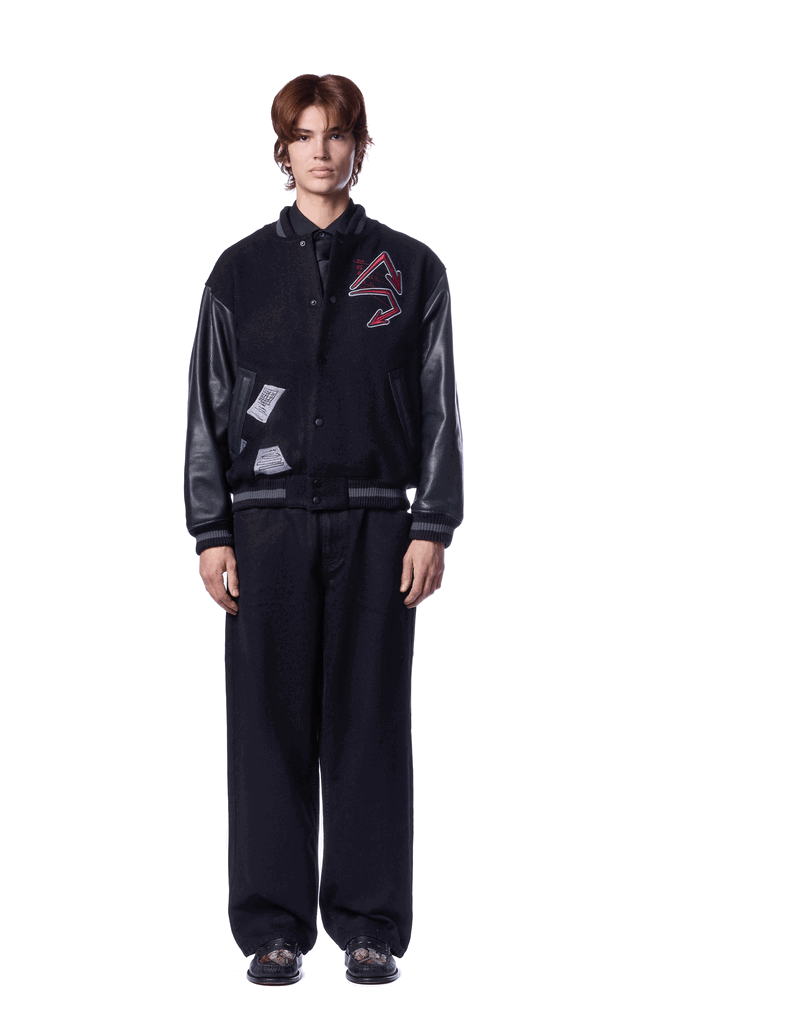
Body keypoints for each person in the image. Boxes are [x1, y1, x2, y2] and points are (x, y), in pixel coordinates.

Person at [183, 73, 464, 986]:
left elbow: (439, 403)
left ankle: (370, 925)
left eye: (336, 134)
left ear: (358, 146)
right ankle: (272, 928)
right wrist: (210, 529)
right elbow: (207, 406)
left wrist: (434, 520)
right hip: (264, 529)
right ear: (283, 149)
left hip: (379, 522)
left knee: (369, 722)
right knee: (267, 726)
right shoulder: (239, 273)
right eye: (304, 135)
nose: (320, 151)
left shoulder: (410, 269)